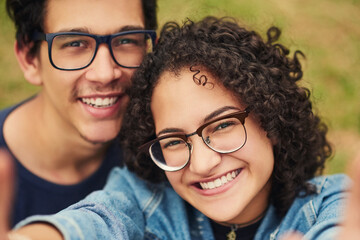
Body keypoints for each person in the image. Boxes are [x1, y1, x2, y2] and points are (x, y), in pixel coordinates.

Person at [1, 17, 354, 239]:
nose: (201, 164)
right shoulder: (143, 201)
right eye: (172, 140)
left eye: (223, 124)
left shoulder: (332, 203)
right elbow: (98, 221)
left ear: (272, 120)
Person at [2, 0, 157, 226]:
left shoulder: (171, 146)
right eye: (75, 44)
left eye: (126, 40)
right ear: (29, 59)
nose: (105, 74)